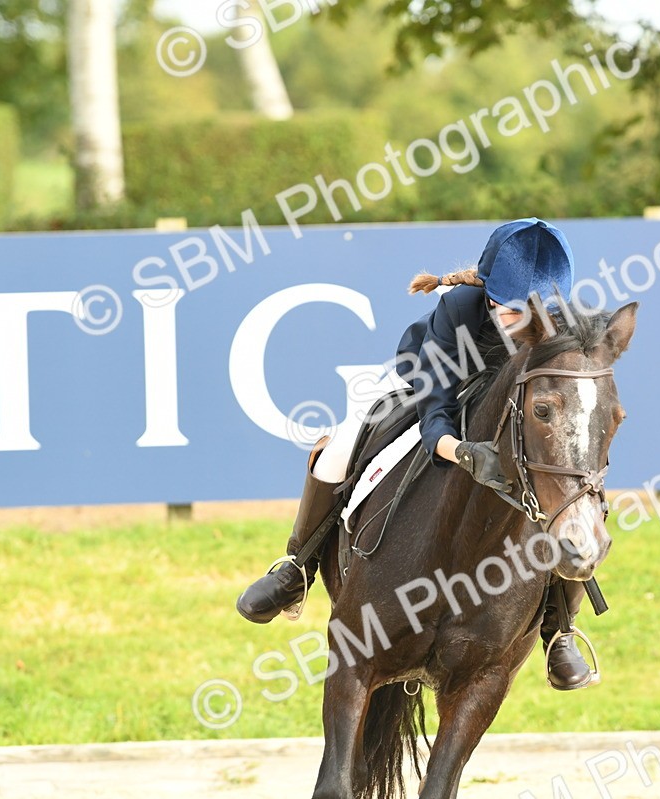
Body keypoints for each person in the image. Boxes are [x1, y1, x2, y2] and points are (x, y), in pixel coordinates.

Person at [236, 218, 598, 691]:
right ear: (488, 294)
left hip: (510, 403)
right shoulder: (460, 309)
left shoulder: (559, 324)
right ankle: (297, 565)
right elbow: (436, 414)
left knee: (569, 492)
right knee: (340, 444)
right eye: (512, 312)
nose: (524, 326)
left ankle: (559, 629)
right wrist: (465, 454)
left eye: (537, 314)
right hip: (427, 382)